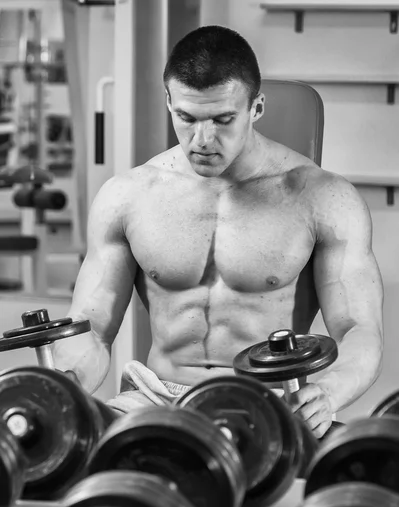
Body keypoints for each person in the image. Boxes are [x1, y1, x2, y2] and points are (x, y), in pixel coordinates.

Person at [54, 25, 383, 438]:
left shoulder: (322, 198)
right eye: (186, 119)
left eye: (223, 119)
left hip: (270, 404)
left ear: (256, 107)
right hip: (155, 399)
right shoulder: (127, 196)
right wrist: (66, 379)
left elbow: (359, 330)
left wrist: (329, 393)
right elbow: (92, 326)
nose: (203, 140)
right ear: (169, 102)